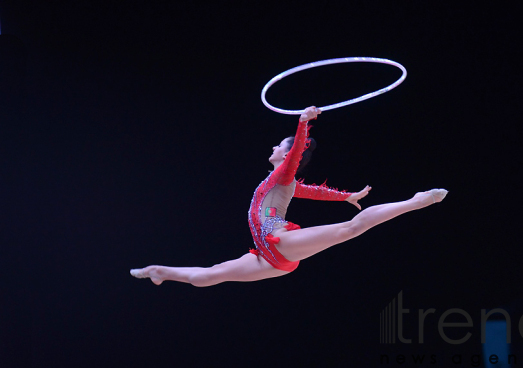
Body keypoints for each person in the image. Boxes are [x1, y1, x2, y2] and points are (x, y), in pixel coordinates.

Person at [130, 106, 447, 286]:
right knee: (209, 277)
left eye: (278, 146)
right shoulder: (281, 180)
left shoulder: (284, 171)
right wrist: (346, 196)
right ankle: (160, 272)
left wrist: (302, 124)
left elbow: (297, 155)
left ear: (285, 155)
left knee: (350, 229)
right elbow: (314, 192)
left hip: (280, 240)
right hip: (265, 257)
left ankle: (416, 200)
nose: (273, 148)